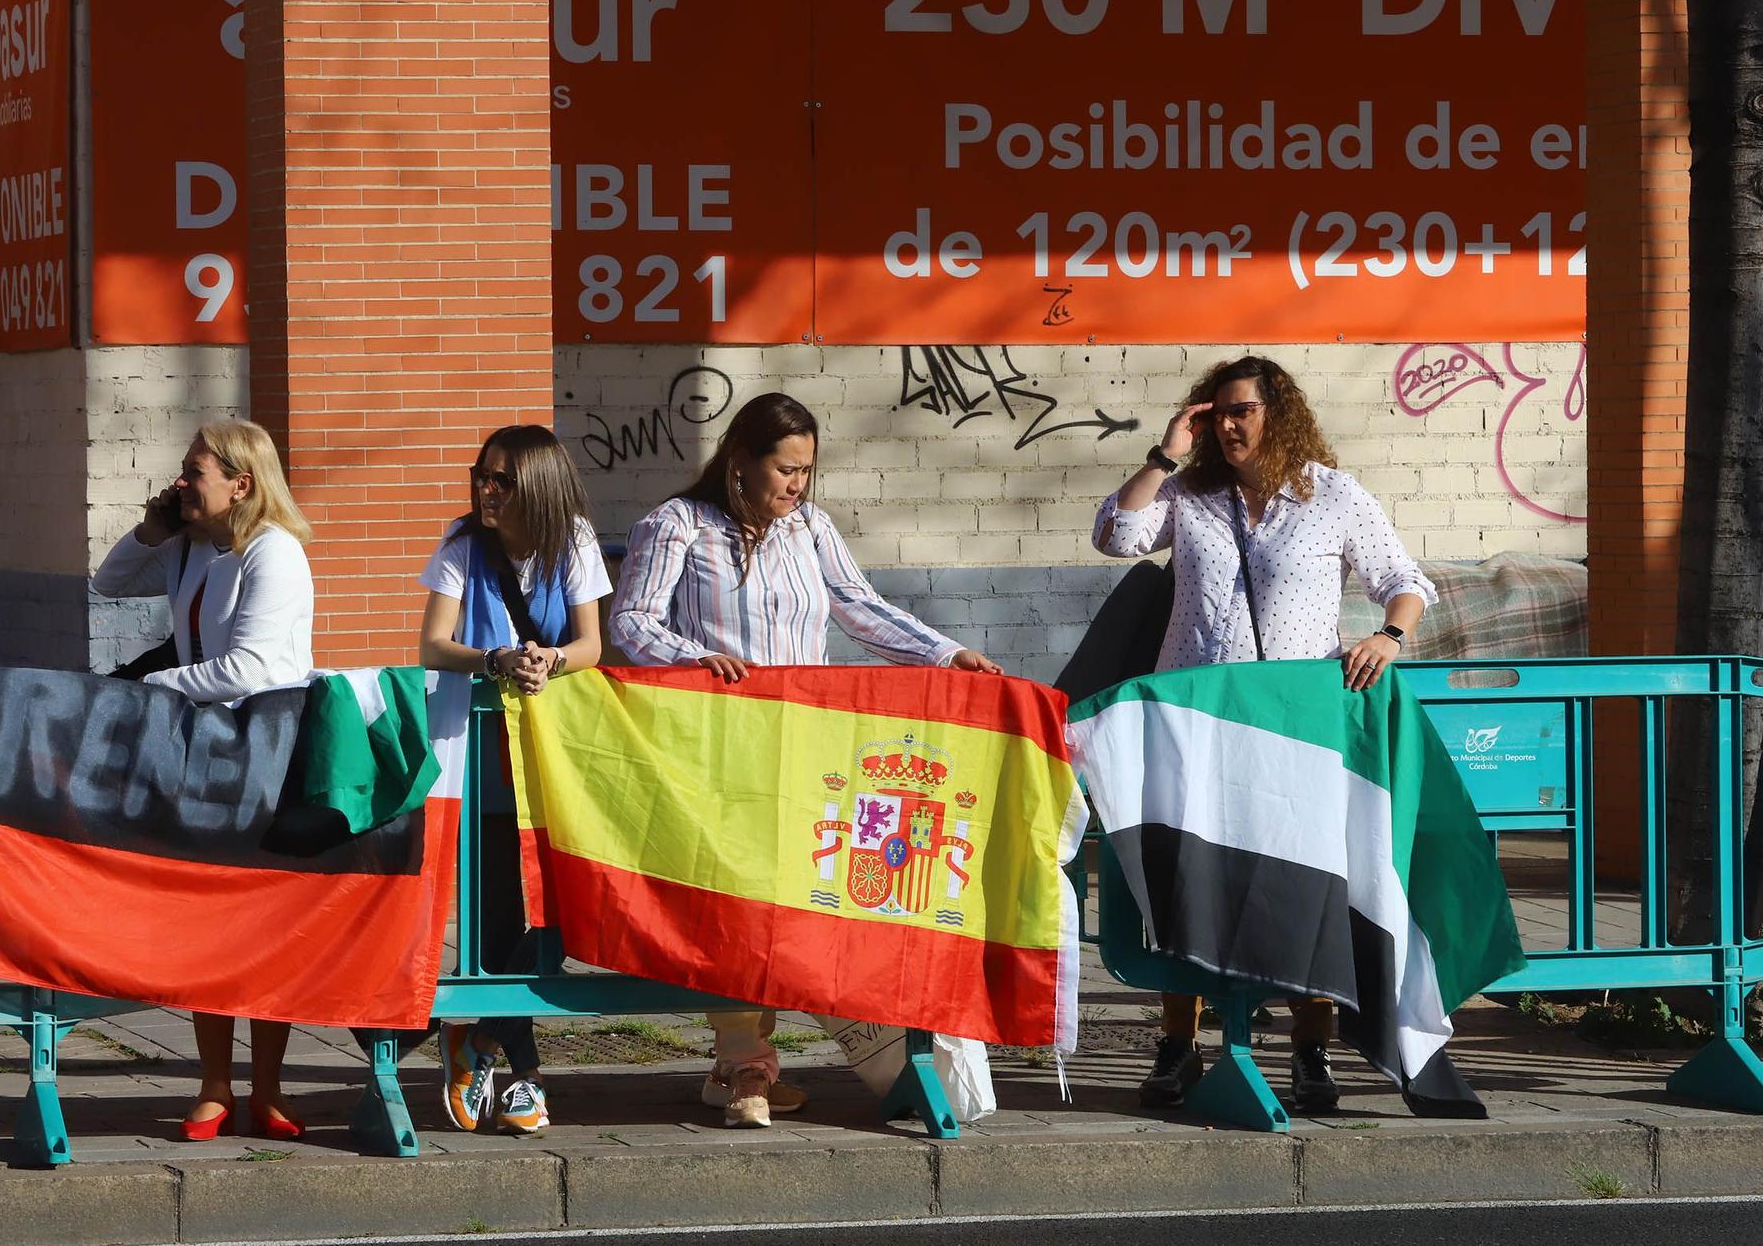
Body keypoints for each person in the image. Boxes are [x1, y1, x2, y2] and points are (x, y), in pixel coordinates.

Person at [610, 392, 1003, 1128]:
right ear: (740, 462)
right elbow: (631, 620)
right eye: (785, 469)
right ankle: (748, 1068)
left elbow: (860, 608)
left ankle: (737, 1064)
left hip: (809, 752)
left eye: (806, 471)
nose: (797, 485)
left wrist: (946, 654)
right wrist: (693, 659)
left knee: (799, 902)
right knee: (741, 906)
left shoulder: (812, 528)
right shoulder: (675, 526)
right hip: (721, 746)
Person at [1092, 354, 1436, 1115]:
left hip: (1292, 727)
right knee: (1187, 882)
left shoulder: (1332, 495)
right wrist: (1164, 454)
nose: (1229, 424)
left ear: (1278, 414)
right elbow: (1117, 537)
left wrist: (1387, 637)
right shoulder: (1188, 494)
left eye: (1242, 410)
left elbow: (1404, 580)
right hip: (1195, 724)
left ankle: (1309, 1051)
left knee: (1303, 884)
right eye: (1217, 412)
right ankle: (1178, 1045)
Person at [92, 418, 316, 1141]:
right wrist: (155, 526)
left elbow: (253, 668)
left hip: (268, 752)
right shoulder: (191, 548)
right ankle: (214, 1085)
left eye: (196, 472)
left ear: (241, 484)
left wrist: (155, 684)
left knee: (268, 926)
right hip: (202, 747)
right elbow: (110, 581)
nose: (182, 481)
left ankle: (271, 1088)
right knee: (211, 922)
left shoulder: (273, 554)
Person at [417, 425, 610, 1136]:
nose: (486, 490)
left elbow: (592, 643)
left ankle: (479, 1041)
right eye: (483, 476)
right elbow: (432, 642)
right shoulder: (463, 544)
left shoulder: (576, 542)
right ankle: (524, 1075)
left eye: (502, 480)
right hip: (480, 754)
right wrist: (497, 658)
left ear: (539, 487)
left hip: (554, 755)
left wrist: (551, 661)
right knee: (501, 905)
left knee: (552, 912)